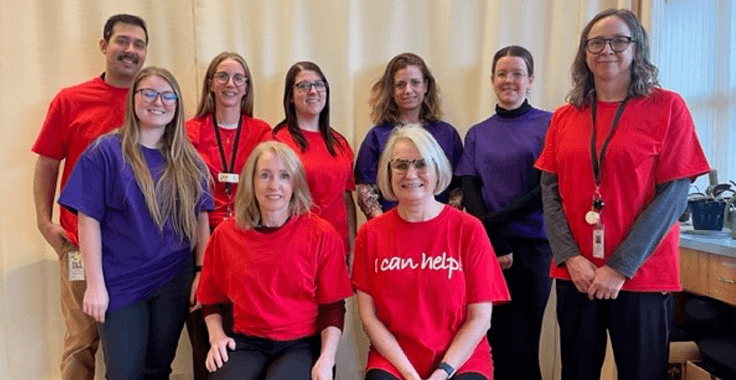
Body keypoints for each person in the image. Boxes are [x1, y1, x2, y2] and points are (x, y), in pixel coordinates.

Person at [534, 9, 710, 380]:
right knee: (576, 372)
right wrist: (570, 257)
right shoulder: (565, 116)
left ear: (637, 49)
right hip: (577, 275)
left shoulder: (668, 107)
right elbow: (550, 192)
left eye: (618, 41)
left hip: (641, 274)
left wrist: (619, 267)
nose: (606, 50)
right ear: (584, 53)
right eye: (596, 42)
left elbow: (674, 194)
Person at [58, 66, 213, 379]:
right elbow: (88, 220)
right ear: (133, 100)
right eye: (149, 93)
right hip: (120, 281)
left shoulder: (189, 159)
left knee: (157, 369)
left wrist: (201, 273)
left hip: (173, 278)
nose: (159, 101)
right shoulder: (105, 152)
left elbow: (201, 221)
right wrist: (95, 285)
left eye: (168, 95)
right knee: (124, 371)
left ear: (177, 104)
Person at [31, 14, 148, 380]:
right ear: (104, 45)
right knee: (81, 342)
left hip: (137, 249)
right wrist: (43, 221)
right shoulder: (71, 101)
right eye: (122, 41)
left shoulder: (152, 101)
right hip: (79, 242)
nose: (130, 50)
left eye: (139, 44)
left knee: (133, 346)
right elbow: (48, 163)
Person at [353, 125, 510, 380]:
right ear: (388, 172)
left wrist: (443, 372)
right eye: (401, 164)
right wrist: (411, 376)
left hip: (461, 358)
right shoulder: (370, 234)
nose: (411, 174)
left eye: (421, 164)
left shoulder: (468, 229)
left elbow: (480, 319)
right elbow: (369, 319)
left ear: (437, 169)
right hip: (394, 359)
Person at [197, 141, 353, 380]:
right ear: (251, 181)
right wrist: (216, 336)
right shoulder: (226, 235)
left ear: (295, 183)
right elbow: (210, 300)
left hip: (300, 344)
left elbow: (333, 307)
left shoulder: (322, 234)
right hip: (248, 341)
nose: (274, 186)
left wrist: (327, 358)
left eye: (284, 176)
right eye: (265, 175)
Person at [456, 45, 552, 380]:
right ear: (492, 79)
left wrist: (494, 225)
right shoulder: (478, 133)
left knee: (524, 346)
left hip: (533, 249)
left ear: (530, 80)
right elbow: (470, 188)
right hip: (488, 248)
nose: (508, 80)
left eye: (517, 74)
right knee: (491, 344)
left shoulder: (549, 124)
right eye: (501, 74)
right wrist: (493, 238)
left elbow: (546, 189)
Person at [186, 51, 271, 380]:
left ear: (247, 87)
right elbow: (191, 200)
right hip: (200, 242)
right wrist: (201, 265)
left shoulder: (261, 131)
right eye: (222, 76)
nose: (230, 84)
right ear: (210, 84)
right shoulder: (191, 131)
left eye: (238, 78)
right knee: (206, 347)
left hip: (247, 246)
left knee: (245, 343)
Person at [355, 53, 463, 220]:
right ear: (391, 90)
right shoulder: (376, 136)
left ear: (426, 86)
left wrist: (445, 223)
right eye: (400, 85)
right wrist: (383, 227)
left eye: (415, 83)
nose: (408, 90)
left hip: (439, 229)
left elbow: (459, 186)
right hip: (392, 230)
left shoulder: (447, 134)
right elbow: (365, 189)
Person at [272, 61, 356, 257]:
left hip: (337, 248)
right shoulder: (278, 142)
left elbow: (346, 199)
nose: (313, 91)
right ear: (290, 96)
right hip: (296, 249)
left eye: (319, 85)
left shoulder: (340, 143)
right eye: (303, 86)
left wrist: (352, 250)